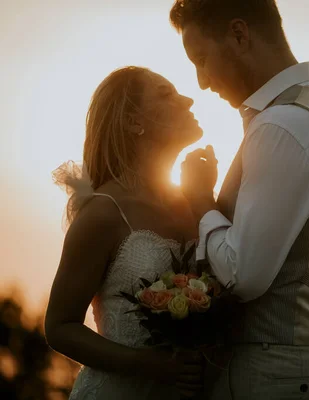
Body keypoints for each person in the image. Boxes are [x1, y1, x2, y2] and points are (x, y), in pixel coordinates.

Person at [171, 0, 309, 398]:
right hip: (289, 365)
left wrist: (201, 201)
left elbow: (244, 274)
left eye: (202, 58)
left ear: (240, 35)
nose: (202, 81)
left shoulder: (283, 125)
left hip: (273, 372)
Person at [45, 66, 206, 399]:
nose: (189, 100)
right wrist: (150, 365)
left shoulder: (199, 203)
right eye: (166, 94)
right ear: (134, 122)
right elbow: (60, 327)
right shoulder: (104, 212)